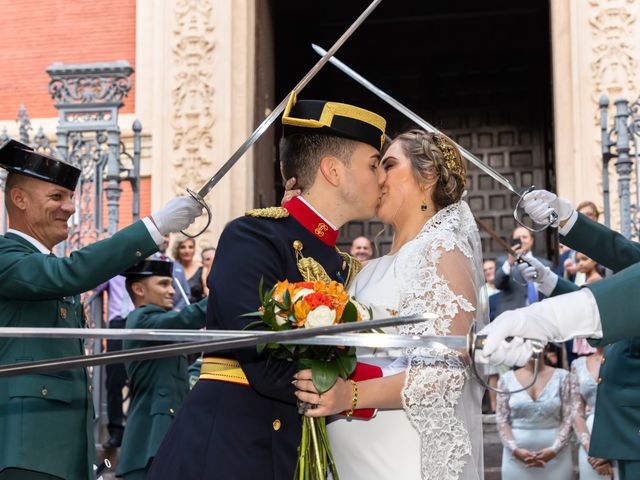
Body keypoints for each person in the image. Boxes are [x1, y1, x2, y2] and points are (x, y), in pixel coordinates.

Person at [149, 94, 387, 479]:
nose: (383, 177)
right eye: (374, 164)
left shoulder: (345, 265)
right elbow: (262, 357)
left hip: (288, 455)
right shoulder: (253, 236)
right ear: (333, 170)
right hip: (226, 453)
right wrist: (390, 388)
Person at [0, 139, 202, 479]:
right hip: (28, 452)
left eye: (70, 198)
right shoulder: (8, 258)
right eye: (56, 197)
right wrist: (154, 227)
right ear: (19, 199)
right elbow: (71, 274)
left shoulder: (43, 266)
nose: (70, 208)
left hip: (62, 452)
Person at [294, 129, 486, 479]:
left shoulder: (441, 251)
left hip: (401, 455)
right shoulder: (367, 267)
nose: (378, 178)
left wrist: (349, 395)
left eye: (390, 165)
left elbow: (446, 373)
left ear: (427, 177)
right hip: (355, 456)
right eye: (377, 166)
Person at [479, 188, 640, 480]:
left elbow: (622, 294)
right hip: (626, 432)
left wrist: (541, 320)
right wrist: (566, 223)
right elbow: (628, 256)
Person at [114, 259, 207, 479]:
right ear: (139, 289)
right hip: (150, 436)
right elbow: (187, 318)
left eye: (172, 285)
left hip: (163, 434)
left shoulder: (160, 325)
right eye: (164, 284)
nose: (172, 291)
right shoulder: (141, 319)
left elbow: (174, 375)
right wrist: (224, 294)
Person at [496, 350, 573, 480]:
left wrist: (554, 449)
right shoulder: (506, 379)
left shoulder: (563, 376)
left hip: (556, 456)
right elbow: (501, 419)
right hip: (516, 458)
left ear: (545, 344)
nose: (531, 348)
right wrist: (515, 450)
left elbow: (569, 417)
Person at [93, 275, 135, 449]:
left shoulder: (148, 264)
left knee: (138, 378)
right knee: (113, 379)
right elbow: (95, 286)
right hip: (117, 323)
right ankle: (116, 430)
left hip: (141, 320)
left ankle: (134, 429)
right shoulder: (115, 270)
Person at [570, 347, 616, 479]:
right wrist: (592, 450)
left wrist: (610, 451)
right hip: (590, 439)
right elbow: (576, 412)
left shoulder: (628, 360)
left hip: (621, 434)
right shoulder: (578, 364)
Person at [493, 226, 552, 316]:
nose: (522, 240)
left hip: (540, 315)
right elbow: (498, 283)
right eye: (517, 238)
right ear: (512, 242)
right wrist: (509, 263)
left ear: (531, 240)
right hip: (512, 315)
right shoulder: (503, 261)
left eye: (524, 237)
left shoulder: (545, 264)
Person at [152, 233, 191, 309]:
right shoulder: (147, 262)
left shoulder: (178, 266)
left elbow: (186, 293)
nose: (163, 239)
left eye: (166, 236)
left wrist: (177, 310)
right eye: (159, 235)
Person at [172, 235, 205, 303]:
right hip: (175, 311)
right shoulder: (172, 269)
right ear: (177, 250)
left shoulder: (202, 270)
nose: (187, 251)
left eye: (190, 247)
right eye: (183, 247)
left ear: (194, 249)